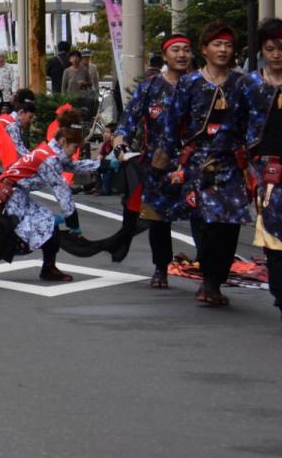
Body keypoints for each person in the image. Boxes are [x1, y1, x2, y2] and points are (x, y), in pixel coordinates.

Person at [154, 22, 249, 307]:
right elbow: (172, 124)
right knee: (204, 222)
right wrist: (163, 162)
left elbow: (254, 124)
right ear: (205, 49)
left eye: (228, 45)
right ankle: (208, 280)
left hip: (231, 164)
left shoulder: (243, 84)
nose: (223, 49)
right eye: (217, 44)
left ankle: (216, 280)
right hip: (197, 164)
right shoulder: (189, 83)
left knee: (229, 224)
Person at [0, 107, 99, 282]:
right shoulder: (48, 159)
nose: (76, 150)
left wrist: (103, 165)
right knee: (10, 239)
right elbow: (62, 191)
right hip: (11, 196)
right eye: (75, 146)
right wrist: (74, 225)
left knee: (49, 225)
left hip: (18, 194)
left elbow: (73, 165)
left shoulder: (53, 151)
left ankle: (48, 268)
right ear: (64, 141)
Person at [112, 33, 192, 288]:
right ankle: (161, 268)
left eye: (186, 50)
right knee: (159, 219)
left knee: (205, 218)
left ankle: (211, 275)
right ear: (165, 55)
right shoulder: (150, 87)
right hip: (158, 165)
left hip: (196, 163)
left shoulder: (200, 84)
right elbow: (129, 119)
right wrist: (121, 138)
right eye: (175, 50)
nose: (181, 55)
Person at [243, 18, 282, 321]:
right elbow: (235, 126)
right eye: (270, 49)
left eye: (281, 48)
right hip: (267, 168)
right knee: (272, 232)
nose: (277, 54)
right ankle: (280, 293)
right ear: (262, 50)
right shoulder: (251, 85)